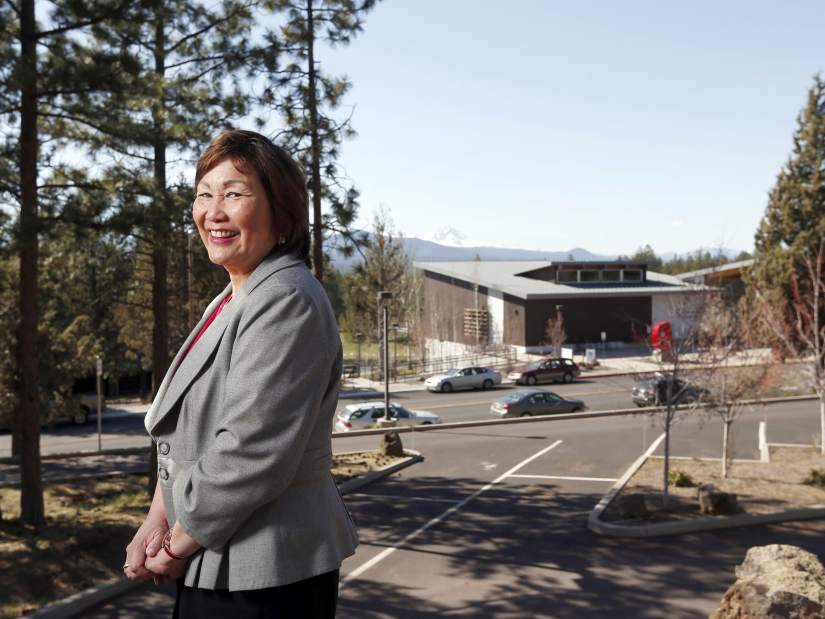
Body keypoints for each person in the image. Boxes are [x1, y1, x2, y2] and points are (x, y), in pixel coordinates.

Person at [123, 130, 358, 618]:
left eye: (234, 193)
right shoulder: (237, 295)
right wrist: (156, 520)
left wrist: (174, 548)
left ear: (282, 210)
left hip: (266, 569)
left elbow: (251, 450)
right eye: (204, 195)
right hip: (224, 554)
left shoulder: (286, 298)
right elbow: (188, 430)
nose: (213, 211)